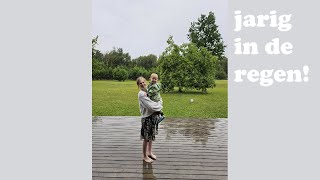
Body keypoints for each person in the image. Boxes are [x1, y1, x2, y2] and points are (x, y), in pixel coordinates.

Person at [137, 76, 163, 163]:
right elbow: (151, 107)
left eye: (143, 82)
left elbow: (159, 97)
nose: (142, 84)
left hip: (152, 116)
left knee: (151, 136)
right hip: (146, 118)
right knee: (146, 138)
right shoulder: (141, 94)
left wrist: (159, 102)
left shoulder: (149, 90)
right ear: (138, 85)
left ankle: (149, 153)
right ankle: (144, 156)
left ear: (146, 82)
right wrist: (160, 106)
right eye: (140, 83)